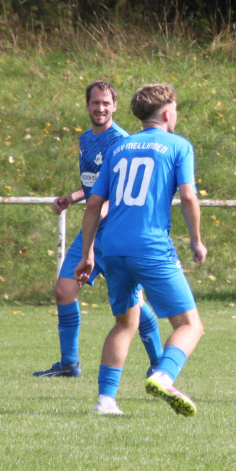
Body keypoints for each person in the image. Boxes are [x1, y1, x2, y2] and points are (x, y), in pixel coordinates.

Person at [76, 83, 207, 417]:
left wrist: (87, 253)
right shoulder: (178, 145)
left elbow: (93, 205)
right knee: (189, 325)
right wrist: (196, 239)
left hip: (114, 248)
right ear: (167, 113)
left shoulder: (120, 148)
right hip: (150, 246)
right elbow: (189, 197)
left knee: (124, 323)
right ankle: (163, 376)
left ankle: (105, 402)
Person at [36, 80, 163, 378]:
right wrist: (72, 197)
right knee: (64, 290)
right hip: (94, 228)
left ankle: (159, 363)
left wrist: (93, 238)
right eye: (95, 102)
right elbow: (94, 184)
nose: (100, 108)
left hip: (117, 233)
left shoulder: (121, 141)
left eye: (106, 103)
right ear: (87, 105)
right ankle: (69, 364)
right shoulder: (85, 139)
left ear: (115, 106)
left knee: (132, 304)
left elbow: (111, 197)